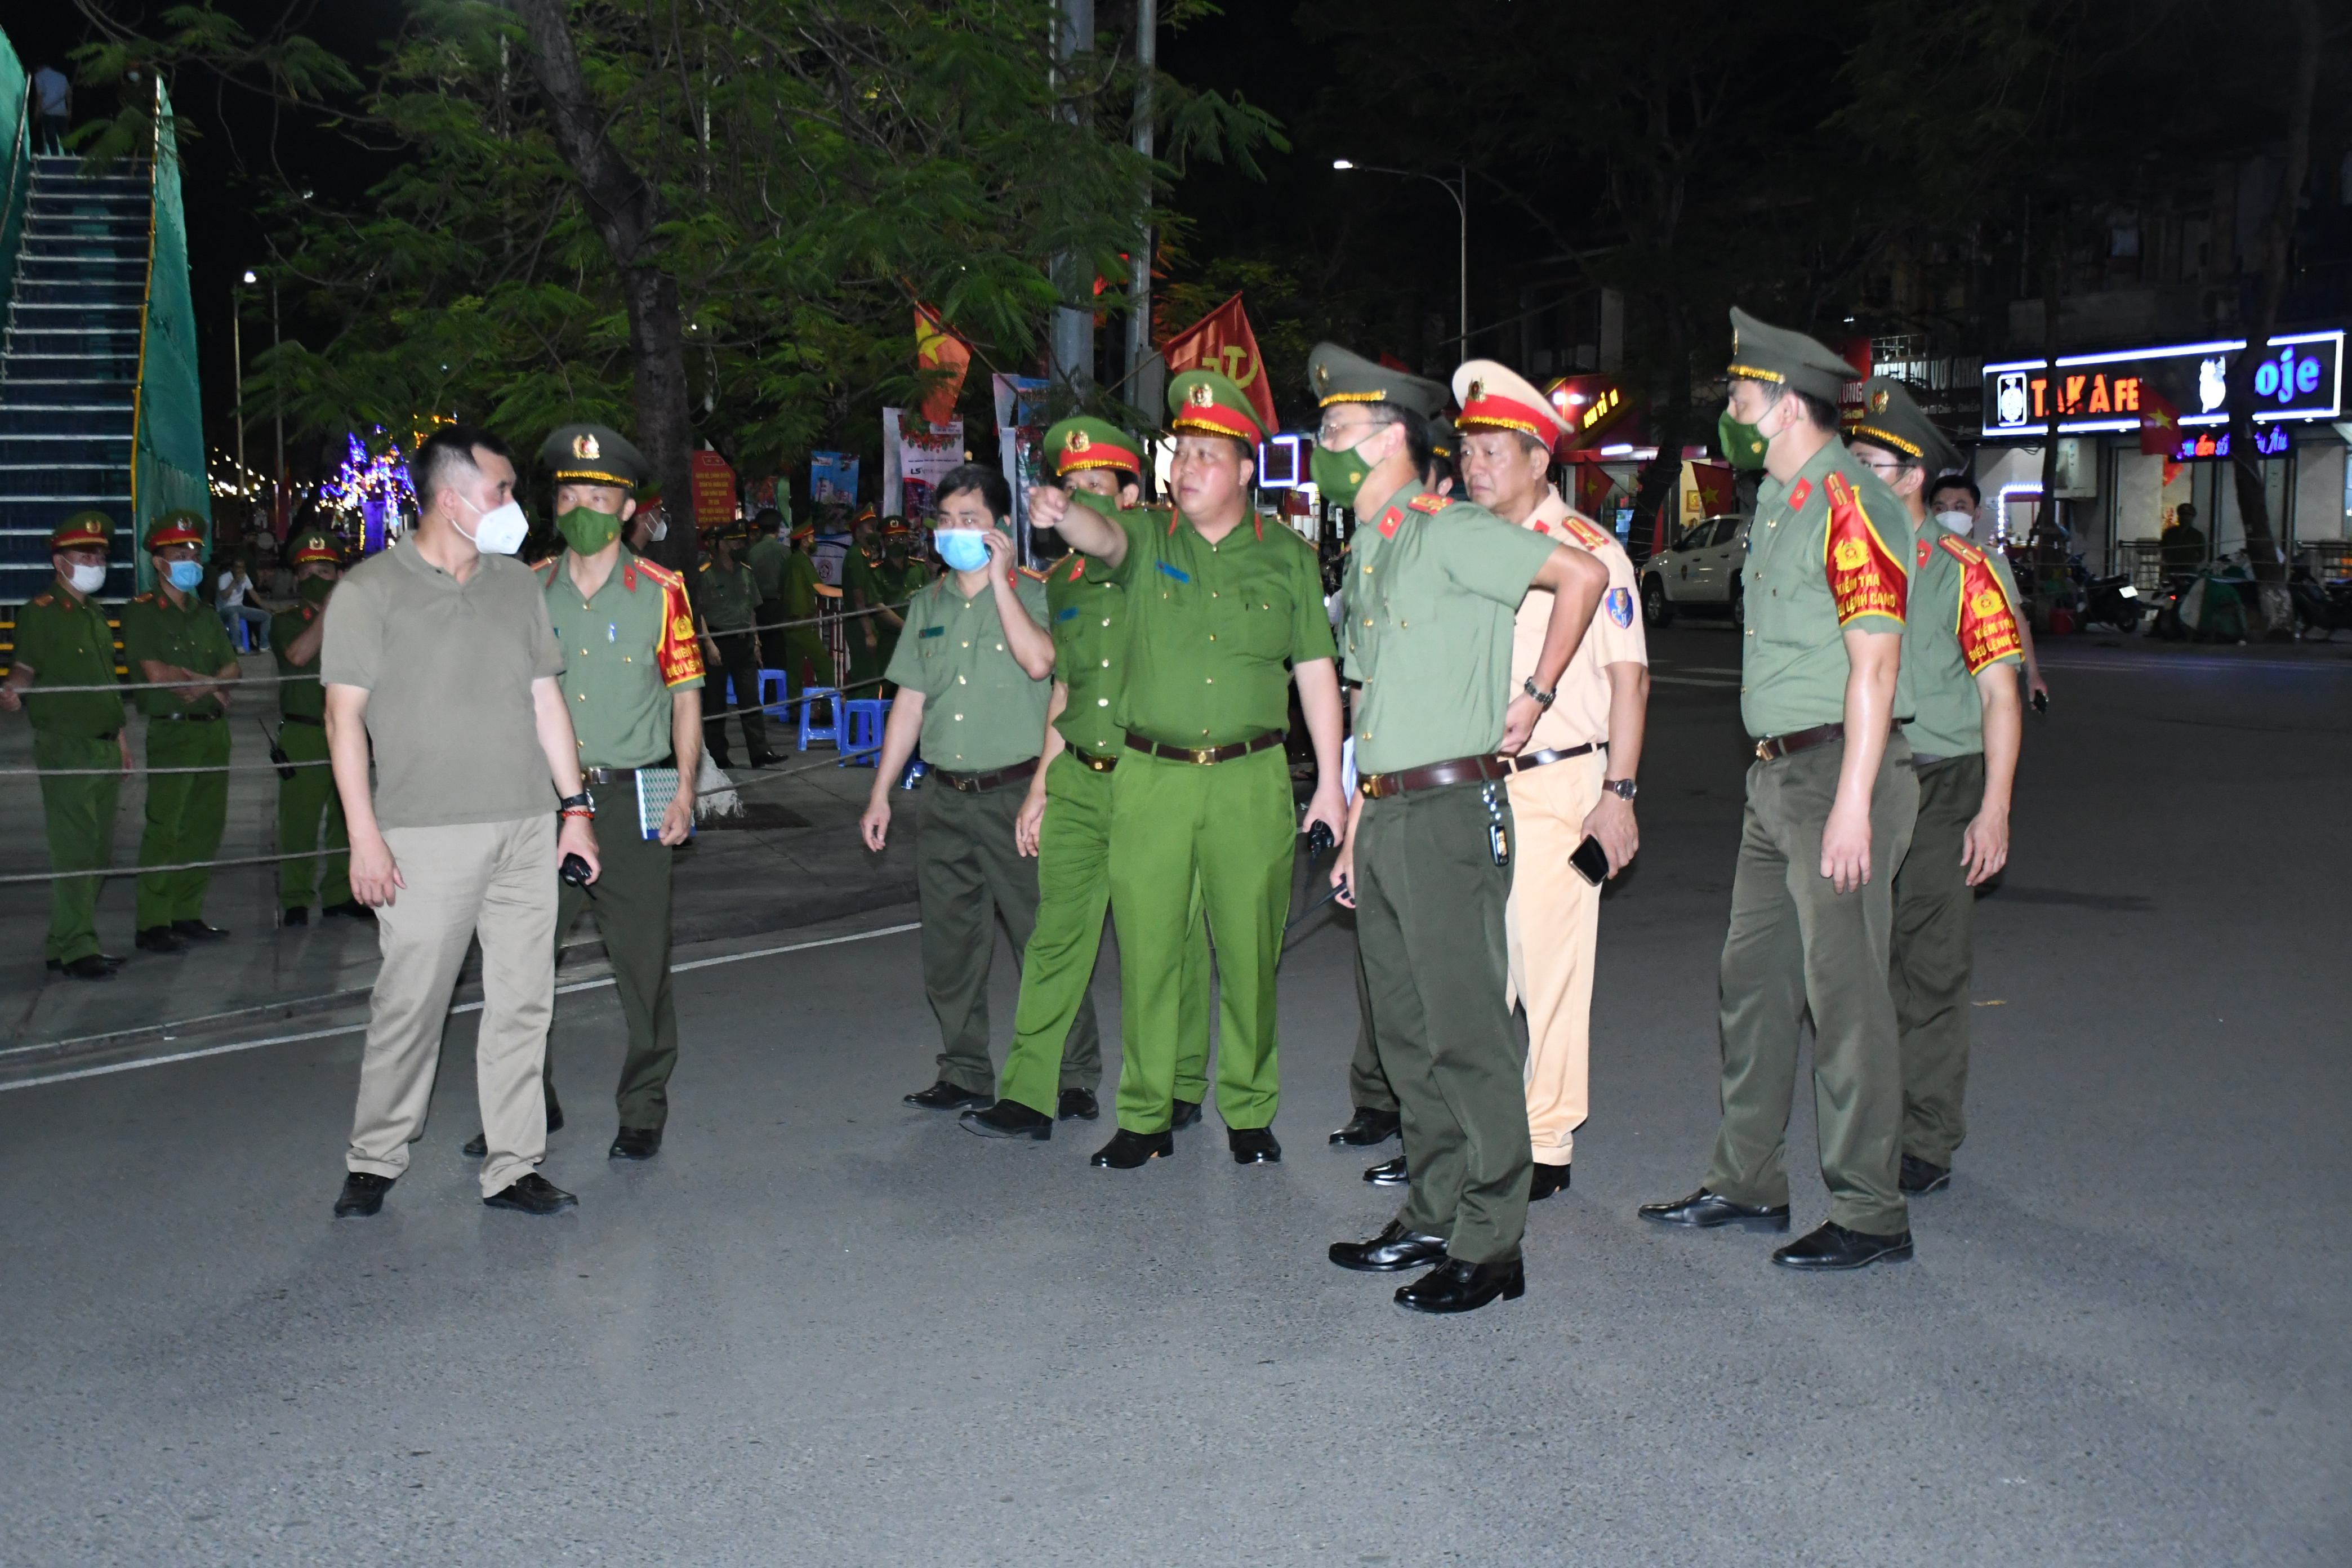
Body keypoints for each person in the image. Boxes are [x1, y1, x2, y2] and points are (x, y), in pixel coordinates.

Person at [1310, 344, 1608, 1315]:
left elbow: (1578, 578)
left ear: (1392, 437)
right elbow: (1374, 702)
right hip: (1390, 808)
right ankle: (1433, 1209)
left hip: (1448, 808)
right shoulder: (1374, 547)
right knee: (1405, 1034)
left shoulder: (1447, 531)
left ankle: (1493, 1239)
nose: (1323, 448)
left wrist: (1535, 692)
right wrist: (1353, 825)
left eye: (1337, 432)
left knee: (1466, 1033)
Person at [1639, 309, 1921, 1271]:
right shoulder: (1781, 497)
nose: (1729, 407)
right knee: (1751, 982)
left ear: (1785, 404)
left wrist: (1852, 799)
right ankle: (1747, 1178)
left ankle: (1872, 1211)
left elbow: (1875, 663)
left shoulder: (1850, 501)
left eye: (1739, 393)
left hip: (1836, 771)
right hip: (1776, 777)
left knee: (1845, 999)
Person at [1027, 370, 1348, 1169]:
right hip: (1153, 778)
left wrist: (1333, 788)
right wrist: (1066, 512)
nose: (1188, 468)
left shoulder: (1289, 558)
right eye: (1182, 453)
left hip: (1251, 779)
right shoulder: (1147, 541)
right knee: (1149, 950)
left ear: (1246, 470)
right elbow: (1101, 537)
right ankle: (1144, 1117)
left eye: (1208, 454)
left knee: (1248, 951)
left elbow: (1315, 671)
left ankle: (1248, 1108)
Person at [322, 424, 601, 1220]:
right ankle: (375, 1157)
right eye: (503, 490)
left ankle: (515, 1165)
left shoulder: (518, 587)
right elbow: (343, 722)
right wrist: (364, 837)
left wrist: (573, 810)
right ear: (451, 500)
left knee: (524, 1002)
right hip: (420, 836)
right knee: (411, 1004)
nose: (516, 504)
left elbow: (546, 700)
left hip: (524, 827)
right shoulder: (369, 592)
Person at [458, 423, 705, 1162]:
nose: (582, 508)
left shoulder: (664, 593)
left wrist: (685, 790)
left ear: (629, 508)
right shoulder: (528, 589)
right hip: (545, 806)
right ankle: (530, 1103)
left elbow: (686, 698)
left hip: (637, 793)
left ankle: (643, 1104)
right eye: (569, 495)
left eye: (598, 496)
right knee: (519, 965)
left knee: (642, 963)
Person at [961, 418, 1210, 1140]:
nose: (1079, 501)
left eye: (1096, 489)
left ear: (1132, 496)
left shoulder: (1171, 562)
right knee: (1055, 939)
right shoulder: (1063, 580)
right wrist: (1041, 784)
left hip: (1154, 780)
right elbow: (1064, 686)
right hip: (1078, 778)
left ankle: (1181, 1081)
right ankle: (1029, 1095)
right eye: (1069, 490)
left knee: (1169, 942)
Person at [1448, 358, 1650, 1199]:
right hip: (1472, 787)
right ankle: (1479, 1133)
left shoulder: (1589, 553)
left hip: (1557, 782)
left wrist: (1620, 794)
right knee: (1475, 973)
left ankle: (1546, 1144)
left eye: (1495, 451)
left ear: (1540, 459)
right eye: (1469, 452)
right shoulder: (1467, 545)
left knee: (1551, 975)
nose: (1476, 466)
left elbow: (1628, 681)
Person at [860, 465, 1103, 1115]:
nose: (955, 532)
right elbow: (909, 703)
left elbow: (1043, 665)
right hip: (943, 797)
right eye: (945, 520)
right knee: (951, 946)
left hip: (1018, 792)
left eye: (970, 519)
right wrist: (882, 791)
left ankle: (1074, 1073)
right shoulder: (927, 606)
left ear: (999, 526)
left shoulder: (1039, 593)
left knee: (1042, 938)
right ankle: (964, 1069)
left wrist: (1000, 583)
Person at [1850, 382, 2024, 1198]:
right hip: (1855, 780)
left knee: (1930, 968)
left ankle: (1925, 1136)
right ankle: (1868, 1122)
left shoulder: (1964, 568)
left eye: (1867, 464)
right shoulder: (1844, 554)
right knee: (1856, 967)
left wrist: (1995, 807)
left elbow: (1999, 692)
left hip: (1939, 783)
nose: (1850, 478)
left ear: (1912, 476)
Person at [1, 511, 130, 980]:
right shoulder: (40, 613)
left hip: (103, 745)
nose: (96, 561)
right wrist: (14, 692)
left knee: (97, 852)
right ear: (60, 562)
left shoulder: (96, 614)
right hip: (67, 746)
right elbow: (26, 669)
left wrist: (120, 739)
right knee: (75, 850)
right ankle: (79, 946)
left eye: (100, 554)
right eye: (85, 554)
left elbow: (104, 688)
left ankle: (63, 939)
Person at [121, 510, 240, 953]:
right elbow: (156, 672)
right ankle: (153, 922)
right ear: (158, 561)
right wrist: (209, 682)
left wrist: (206, 683)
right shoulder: (143, 613)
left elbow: (234, 667)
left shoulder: (205, 613)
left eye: (194, 550)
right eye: (179, 551)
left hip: (213, 731)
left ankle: (187, 913)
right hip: (173, 732)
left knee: (205, 826)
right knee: (165, 828)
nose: (191, 557)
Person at [269, 530, 368, 926]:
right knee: (300, 822)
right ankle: (295, 898)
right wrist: (332, 607)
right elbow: (299, 654)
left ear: (339, 573)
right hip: (304, 731)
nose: (316, 577)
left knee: (349, 819)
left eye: (325, 570)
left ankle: (340, 894)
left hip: (350, 732)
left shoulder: (361, 621)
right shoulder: (286, 622)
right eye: (308, 571)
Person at [1928, 474, 2046, 706]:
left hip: (1976, 674)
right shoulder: (1917, 557)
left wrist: (2033, 674)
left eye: (1960, 508)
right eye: (1940, 508)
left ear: (1977, 514)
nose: (1948, 514)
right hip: (1924, 677)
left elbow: (2015, 618)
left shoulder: (1991, 562)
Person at [694, 523, 778, 769]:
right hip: (719, 641)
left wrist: (756, 642)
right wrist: (709, 644)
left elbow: (752, 609)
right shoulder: (706, 573)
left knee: (751, 700)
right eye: (733, 542)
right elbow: (698, 613)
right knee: (715, 703)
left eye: (741, 542)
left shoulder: (745, 572)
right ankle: (717, 755)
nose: (738, 546)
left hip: (745, 643)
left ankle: (760, 753)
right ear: (719, 544)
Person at [745, 507, 791, 669]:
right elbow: (789, 581)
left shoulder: (752, 552)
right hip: (779, 607)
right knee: (780, 653)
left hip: (757, 609)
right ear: (778, 529)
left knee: (761, 652)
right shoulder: (785, 552)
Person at [216, 551, 273, 649]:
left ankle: (264, 644)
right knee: (234, 614)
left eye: (243, 567)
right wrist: (235, 582)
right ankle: (238, 645)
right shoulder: (224, 578)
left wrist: (265, 607)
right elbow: (224, 596)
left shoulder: (245, 577)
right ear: (232, 568)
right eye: (238, 567)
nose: (241, 570)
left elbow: (253, 593)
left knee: (266, 616)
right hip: (224, 610)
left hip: (240, 607)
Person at [33, 61, 71, 154]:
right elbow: (69, 94)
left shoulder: (39, 76)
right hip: (62, 113)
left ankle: (55, 160)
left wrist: (37, 112)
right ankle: (70, 158)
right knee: (66, 139)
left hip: (48, 113)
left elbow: (40, 96)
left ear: (39, 68)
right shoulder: (61, 77)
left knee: (52, 139)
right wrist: (69, 111)